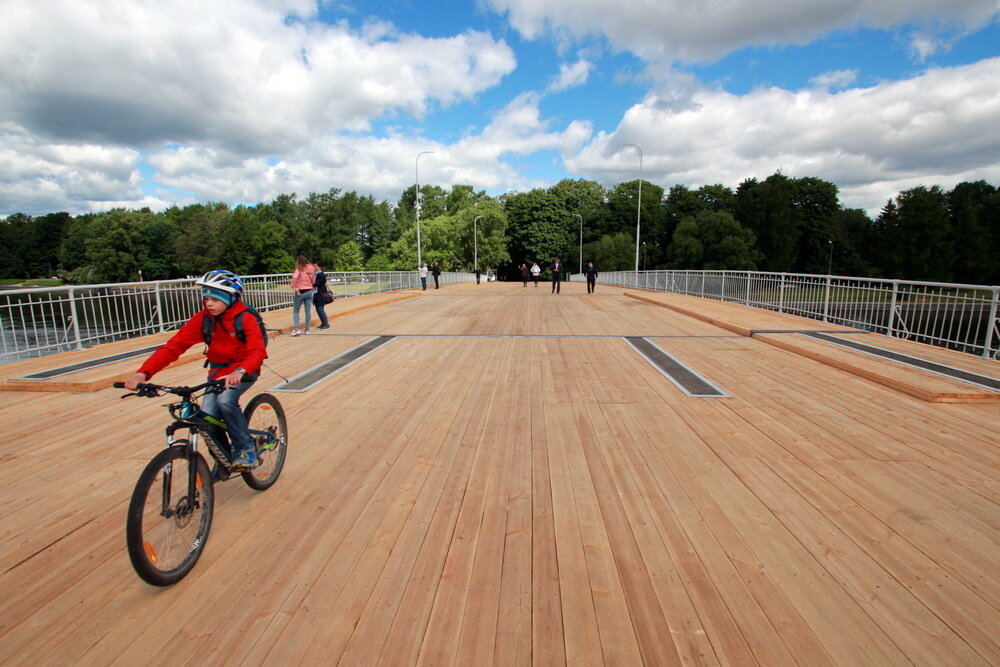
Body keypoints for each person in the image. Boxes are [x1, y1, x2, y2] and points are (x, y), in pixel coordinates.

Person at [124, 270, 267, 469]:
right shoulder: (203, 319)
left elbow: (257, 350)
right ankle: (225, 458)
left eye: (215, 299)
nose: (209, 303)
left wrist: (240, 371)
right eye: (206, 298)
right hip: (218, 372)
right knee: (206, 417)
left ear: (231, 298)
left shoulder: (246, 318)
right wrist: (143, 373)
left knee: (225, 401)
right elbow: (173, 347)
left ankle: (245, 449)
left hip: (244, 369)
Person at [290, 255, 315, 336]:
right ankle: (307, 330)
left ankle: (297, 329)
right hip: (310, 291)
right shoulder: (311, 267)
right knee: (307, 311)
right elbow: (313, 279)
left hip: (300, 292)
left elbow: (294, 277)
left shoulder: (299, 268)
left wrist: (293, 286)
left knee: (296, 311)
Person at [313, 263, 331, 329]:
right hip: (316, 293)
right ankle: (323, 323)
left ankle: (326, 324)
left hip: (320, 293)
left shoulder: (321, 275)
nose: (314, 267)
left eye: (316, 266)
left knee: (320, 308)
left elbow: (316, 284)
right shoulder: (315, 274)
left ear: (320, 267)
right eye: (313, 266)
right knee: (318, 308)